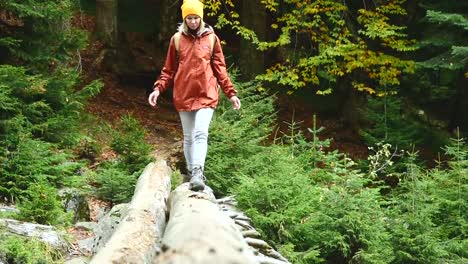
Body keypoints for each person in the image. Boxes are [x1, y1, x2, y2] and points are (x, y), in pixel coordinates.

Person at [148, 0, 241, 191]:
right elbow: (168, 70)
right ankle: (192, 174)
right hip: (184, 94)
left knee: (200, 133)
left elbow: (220, 68)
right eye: (189, 18)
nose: (192, 22)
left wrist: (230, 93)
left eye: (195, 18)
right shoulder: (176, 40)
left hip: (207, 93)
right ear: (184, 19)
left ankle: (198, 171)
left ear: (201, 17)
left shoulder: (211, 39)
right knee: (188, 137)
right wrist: (158, 89)